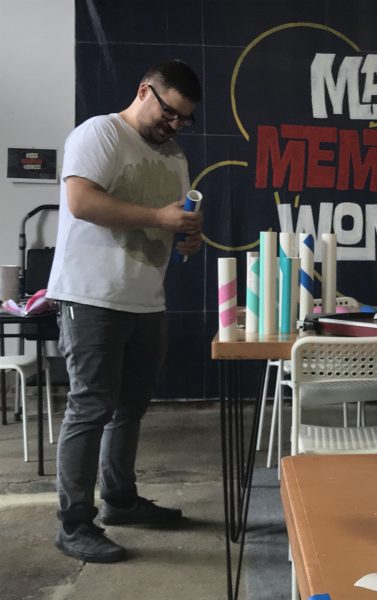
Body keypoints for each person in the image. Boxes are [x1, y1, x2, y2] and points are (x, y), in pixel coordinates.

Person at [46, 59, 203, 563]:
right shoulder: (100, 134)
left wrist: (187, 234)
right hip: (91, 295)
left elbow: (172, 218)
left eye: (184, 119)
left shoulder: (174, 156)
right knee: (90, 407)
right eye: (169, 112)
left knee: (130, 407)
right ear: (144, 92)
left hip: (145, 298)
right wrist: (160, 217)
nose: (174, 125)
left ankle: (119, 499)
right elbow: (81, 202)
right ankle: (74, 524)